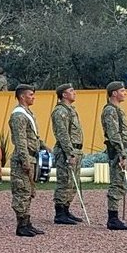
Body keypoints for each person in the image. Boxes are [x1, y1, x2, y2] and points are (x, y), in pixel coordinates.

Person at [9, 85, 43, 237]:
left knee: (29, 191)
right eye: (30, 95)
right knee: (22, 190)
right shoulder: (18, 115)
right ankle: (21, 225)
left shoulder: (28, 113)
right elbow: (20, 139)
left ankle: (27, 222)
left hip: (31, 155)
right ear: (22, 96)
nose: (33, 97)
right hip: (24, 157)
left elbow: (32, 137)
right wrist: (25, 159)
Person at [50, 84, 84, 225]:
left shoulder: (71, 110)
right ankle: (60, 213)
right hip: (66, 152)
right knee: (65, 181)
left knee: (72, 182)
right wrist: (69, 153)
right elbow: (62, 134)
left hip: (75, 150)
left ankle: (66, 209)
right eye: (71, 91)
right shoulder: (60, 112)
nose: (74, 93)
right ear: (63, 95)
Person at [101, 81, 127, 231]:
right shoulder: (110, 110)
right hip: (117, 151)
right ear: (114, 93)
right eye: (122, 91)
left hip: (122, 149)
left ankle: (115, 217)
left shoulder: (116, 109)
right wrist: (121, 153)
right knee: (117, 183)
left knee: (120, 183)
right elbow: (114, 133)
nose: (125, 93)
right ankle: (112, 218)